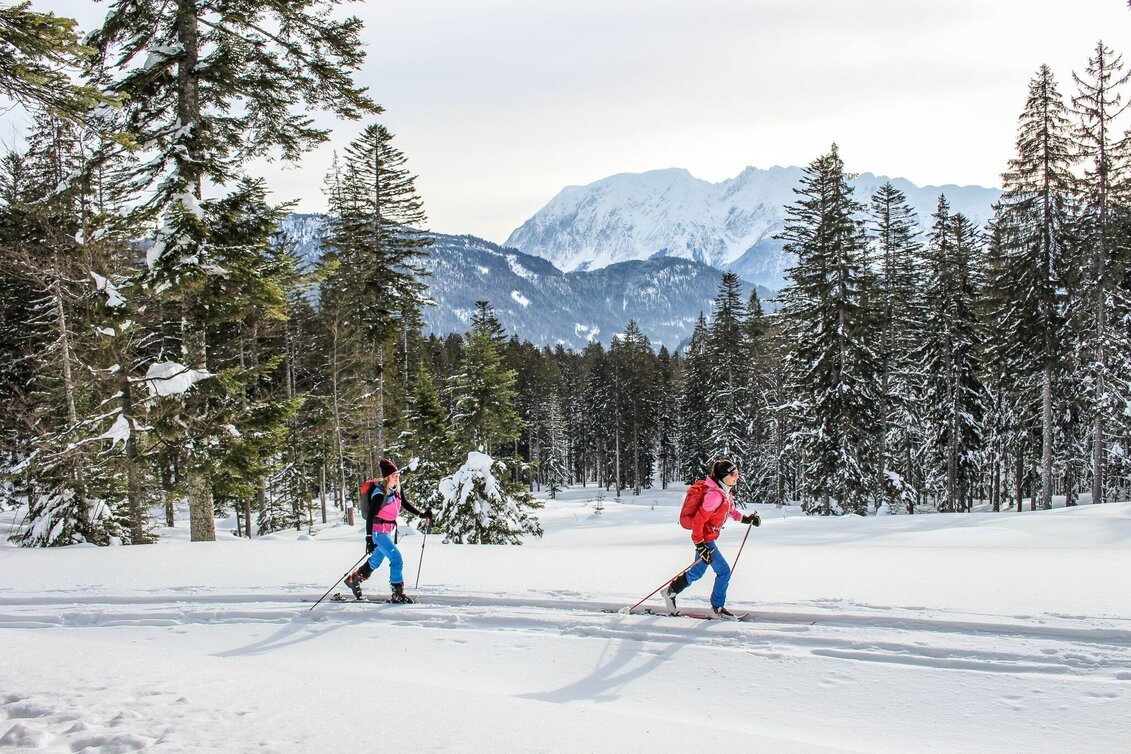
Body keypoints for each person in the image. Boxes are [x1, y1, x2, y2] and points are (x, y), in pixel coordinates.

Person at [662, 459, 760, 620]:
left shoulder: (724, 492)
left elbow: (730, 512)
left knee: (697, 571)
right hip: (705, 540)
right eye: (734, 474)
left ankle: (670, 591)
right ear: (724, 476)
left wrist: (747, 519)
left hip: (706, 539)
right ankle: (717, 608)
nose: (737, 477)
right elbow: (698, 522)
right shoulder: (714, 496)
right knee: (724, 571)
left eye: (737, 473)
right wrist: (701, 545)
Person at [345, 458, 433, 603]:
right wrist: (369, 539)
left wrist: (421, 514)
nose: (396, 476)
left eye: (397, 474)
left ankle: (353, 579)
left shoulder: (397, 488)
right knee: (396, 559)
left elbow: (404, 503)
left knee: (376, 560)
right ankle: (397, 593)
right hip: (377, 532)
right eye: (393, 475)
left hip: (386, 532)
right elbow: (370, 517)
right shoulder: (380, 493)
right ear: (387, 477)